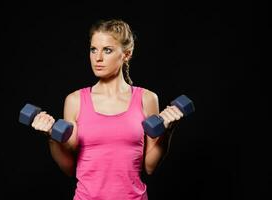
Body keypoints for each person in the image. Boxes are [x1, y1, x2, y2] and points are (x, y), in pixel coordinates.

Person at [31, 19, 184, 200]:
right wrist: (51, 138)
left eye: (107, 50)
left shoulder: (147, 98)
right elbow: (69, 168)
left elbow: (150, 167)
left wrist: (169, 131)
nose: (98, 58)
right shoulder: (75, 100)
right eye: (93, 49)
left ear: (126, 54)